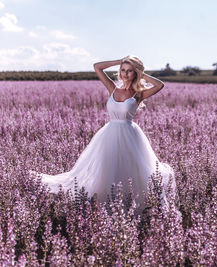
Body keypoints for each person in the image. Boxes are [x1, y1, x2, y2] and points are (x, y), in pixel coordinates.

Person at [30, 56, 178, 216]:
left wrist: (141, 74)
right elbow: (97, 67)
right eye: (123, 70)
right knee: (106, 169)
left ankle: (130, 207)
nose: (125, 74)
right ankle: (104, 206)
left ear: (135, 73)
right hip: (109, 135)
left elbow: (159, 85)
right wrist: (119, 61)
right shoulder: (112, 88)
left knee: (130, 171)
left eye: (130, 71)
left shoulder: (138, 94)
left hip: (130, 136)